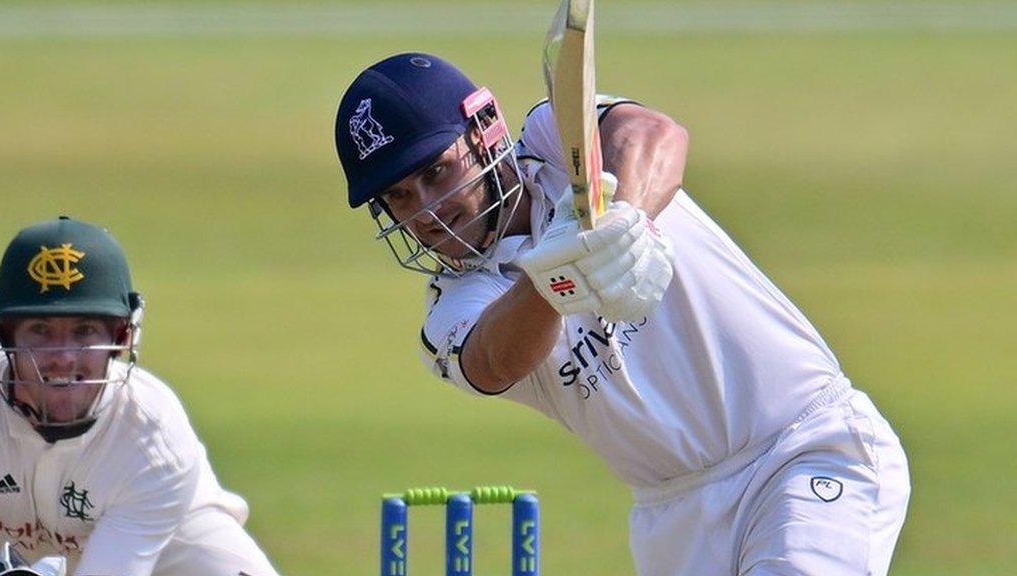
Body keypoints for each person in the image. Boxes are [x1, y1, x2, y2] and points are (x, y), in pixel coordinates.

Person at [333, 53, 910, 575]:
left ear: (485, 131)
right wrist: (559, 272)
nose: (426, 210)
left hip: (804, 446)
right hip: (673, 522)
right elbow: (494, 358)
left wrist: (623, 222)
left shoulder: (556, 144)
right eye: (399, 196)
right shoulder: (451, 309)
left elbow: (653, 133)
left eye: (436, 173)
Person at [0, 217, 280, 576]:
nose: (63, 356)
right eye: (40, 330)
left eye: (85, 330)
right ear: (6, 336)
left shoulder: (152, 439)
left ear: (122, 335)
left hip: (170, 548)